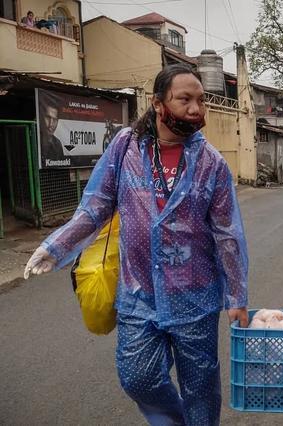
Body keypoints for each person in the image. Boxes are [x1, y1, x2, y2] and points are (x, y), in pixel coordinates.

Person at [24, 64, 249, 426]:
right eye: (184, 100)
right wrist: (54, 246)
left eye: (200, 101)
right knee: (138, 378)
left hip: (196, 298)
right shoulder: (126, 147)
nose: (196, 109)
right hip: (138, 294)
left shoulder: (213, 165)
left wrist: (237, 297)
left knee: (201, 388)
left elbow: (227, 233)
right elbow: (96, 205)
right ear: (159, 104)